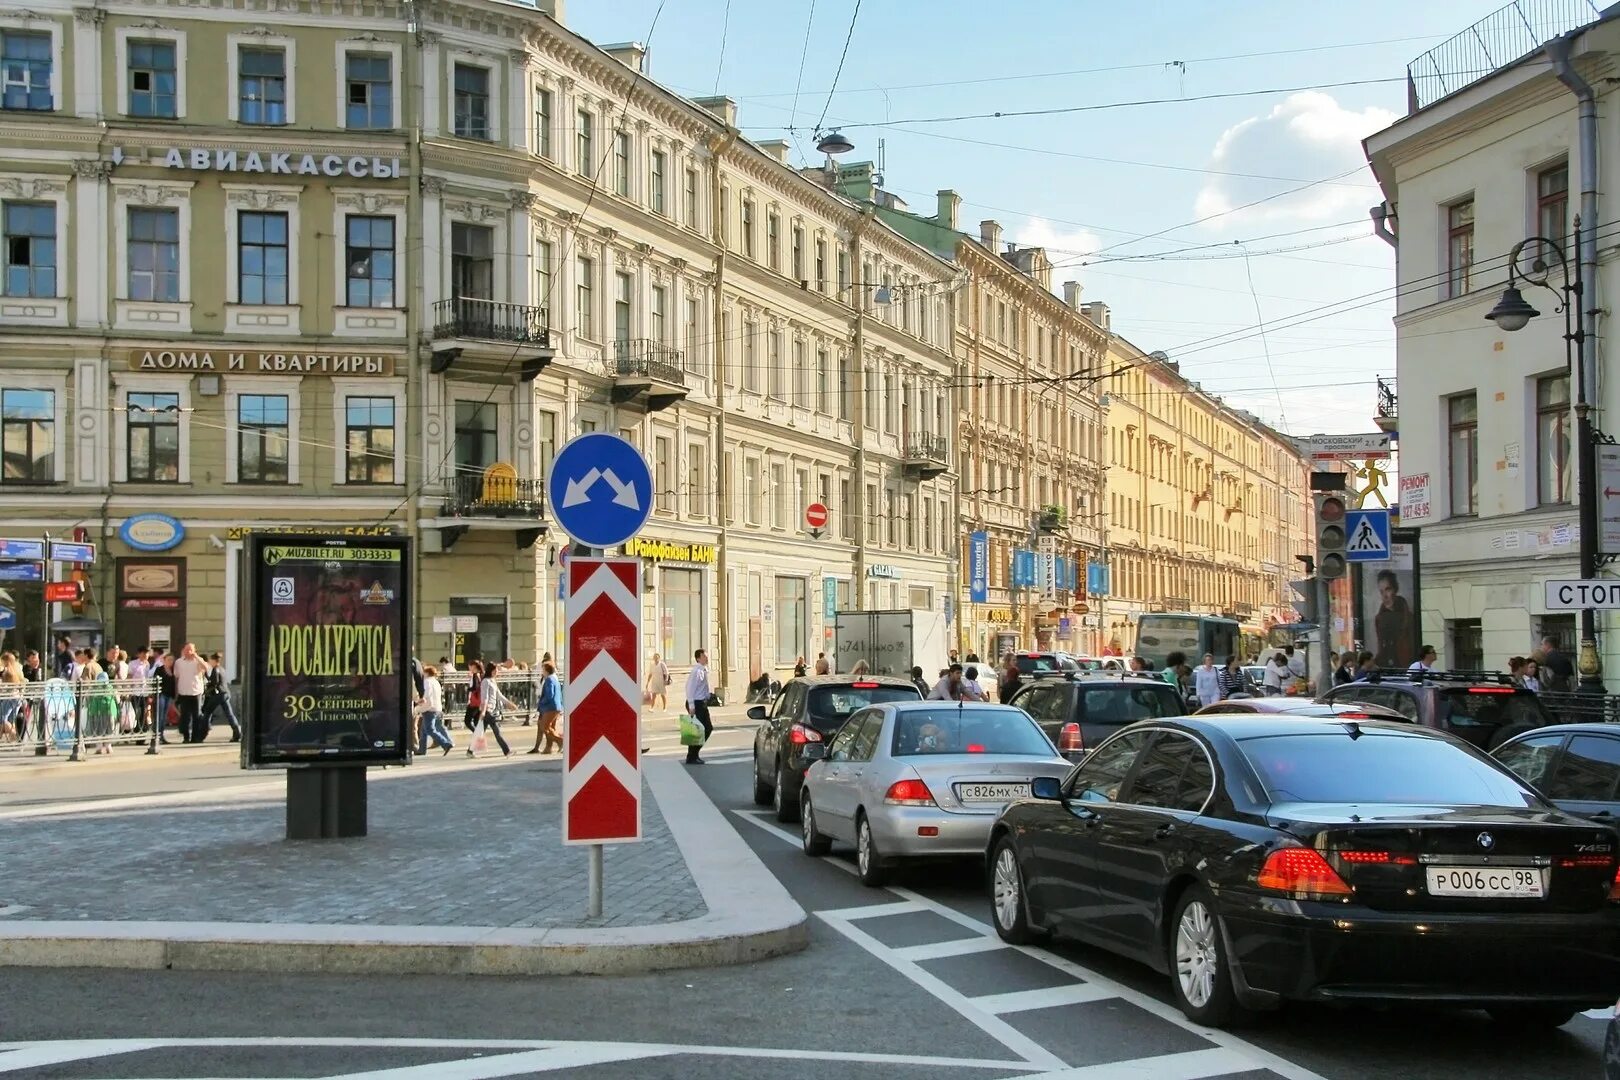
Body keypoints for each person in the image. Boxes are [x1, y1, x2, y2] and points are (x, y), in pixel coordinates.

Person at [1372, 570, 1417, 670]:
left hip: (1404, 666)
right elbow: (1380, 646)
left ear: (1395, 589)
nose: (1385, 596)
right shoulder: (1379, 618)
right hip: (1385, 666)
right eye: (1381, 591)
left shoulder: (1408, 617)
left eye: (1388, 589)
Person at [469, 659, 513, 757]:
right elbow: (484, 697)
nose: (497, 671)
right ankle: (507, 751)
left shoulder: (493, 681)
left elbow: (499, 695)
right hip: (488, 710)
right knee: (497, 731)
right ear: (492, 670)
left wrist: (509, 704)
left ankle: (470, 751)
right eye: (496, 670)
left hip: (491, 709)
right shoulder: (486, 681)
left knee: (479, 732)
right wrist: (484, 711)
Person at [201, 651, 243, 742]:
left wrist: (207, 686)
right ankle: (237, 733)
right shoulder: (222, 669)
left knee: (207, 712)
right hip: (225, 693)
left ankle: (202, 733)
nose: (210, 662)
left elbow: (214, 683)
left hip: (218, 694)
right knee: (230, 714)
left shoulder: (215, 669)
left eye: (211, 660)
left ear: (214, 661)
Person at [171, 643, 207, 743]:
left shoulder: (197, 661)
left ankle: (195, 737)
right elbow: (176, 676)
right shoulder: (179, 662)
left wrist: (196, 657)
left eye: (191, 650)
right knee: (184, 717)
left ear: (194, 651)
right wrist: (176, 693)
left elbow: (206, 667)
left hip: (196, 692)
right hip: (184, 692)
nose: (188, 652)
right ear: (183, 650)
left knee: (197, 716)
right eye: (187, 650)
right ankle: (186, 737)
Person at [415, 664, 453, 755]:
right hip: (437, 708)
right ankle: (422, 749)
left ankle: (446, 743)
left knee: (430, 729)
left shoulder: (427, 682)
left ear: (427, 673)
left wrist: (420, 702)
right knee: (424, 730)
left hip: (430, 708)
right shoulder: (436, 682)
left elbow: (427, 695)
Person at [684, 648, 713, 765]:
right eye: (704, 656)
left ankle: (694, 754)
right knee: (697, 730)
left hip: (701, 702)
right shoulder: (696, 671)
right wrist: (691, 706)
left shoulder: (704, 670)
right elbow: (689, 688)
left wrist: (708, 696)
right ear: (698, 658)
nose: (706, 658)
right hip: (695, 703)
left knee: (707, 728)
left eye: (706, 656)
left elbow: (703, 688)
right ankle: (692, 756)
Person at [531, 660, 563, 754]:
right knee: (549, 727)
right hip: (555, 706)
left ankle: (560, 741)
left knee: (544, 727)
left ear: (547, 670)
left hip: (550, 707)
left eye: (543, 670)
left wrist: (541, 703)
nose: (542, 672)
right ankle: (548, 748)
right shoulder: (555, 678)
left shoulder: (549, 680)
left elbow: (550, 695)